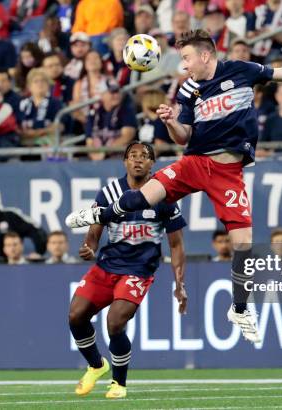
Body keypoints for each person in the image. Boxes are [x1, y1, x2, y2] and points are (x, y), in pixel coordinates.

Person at [66, 29, 282, 343]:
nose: (184, 65)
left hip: (227, 171)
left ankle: (239, 308)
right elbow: (183, 137)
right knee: (144, 196)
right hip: (193, 163)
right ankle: (100, 214)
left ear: (205, 55)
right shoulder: (187, 88)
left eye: (187, 58)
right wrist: (170, 121)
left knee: (244, 243)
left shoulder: (242, 70)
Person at [68, 141, 186, 399]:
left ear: (152, 163)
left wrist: (180, 283)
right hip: (107, 266)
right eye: (132, 155)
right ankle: (97, 365)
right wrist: (89, 248)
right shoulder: (109, 193)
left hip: (139, 271)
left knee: (115, 322)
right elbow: (94, 232)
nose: (138, 160)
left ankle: (118, 384)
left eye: (144, 156)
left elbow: (176, 245)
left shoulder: (164, 195)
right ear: (124, 162)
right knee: (76, 316)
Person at [85, 80, 137, 161]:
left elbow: (127, 136)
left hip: (119, 161)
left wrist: (104, 153)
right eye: (112, 92)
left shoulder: (126, 111)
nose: (116, 95)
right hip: (97, 161)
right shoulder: (94, 114)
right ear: (102, 95)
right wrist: (95, 156)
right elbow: (89, 141)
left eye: (117, 91)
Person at [17, 69, 64, 147]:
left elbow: (60, 126)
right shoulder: (22, 103)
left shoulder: (55, 103)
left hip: (47, 142)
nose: (40, 84)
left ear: (48, 85)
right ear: (29, 86)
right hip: (24, 142)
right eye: (36, 81)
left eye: (43, 81)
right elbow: (17, 125)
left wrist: (38, 132)